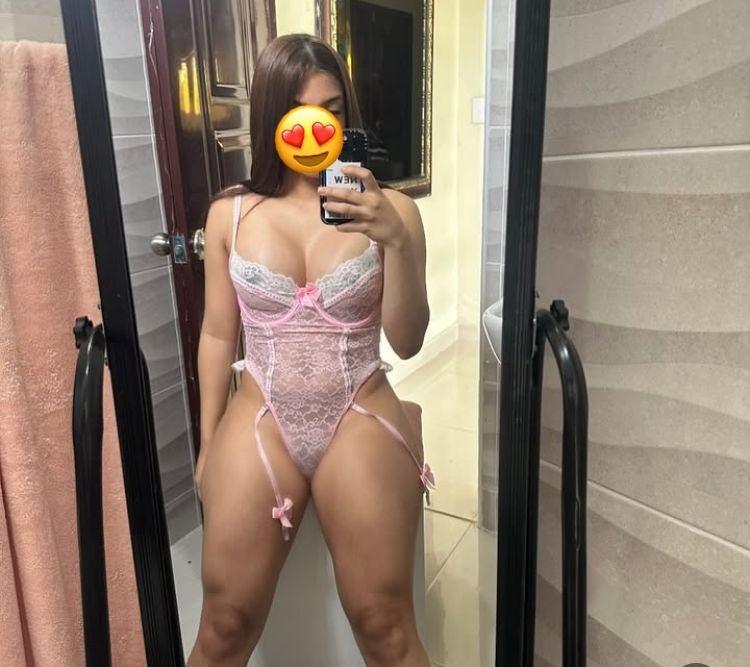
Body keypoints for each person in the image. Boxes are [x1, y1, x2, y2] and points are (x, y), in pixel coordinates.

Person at [189, 33, 433, 666]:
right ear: (273, 119)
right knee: (224, 624)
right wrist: (208, 442)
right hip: (261, 412)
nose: (318, 129)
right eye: (302, 113)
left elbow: (408, 341)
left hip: (360, 407)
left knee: (385, 625)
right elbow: (216, 335)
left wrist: (395, 242)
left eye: (333, 111)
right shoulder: (230, 214)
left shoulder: (392, 210)